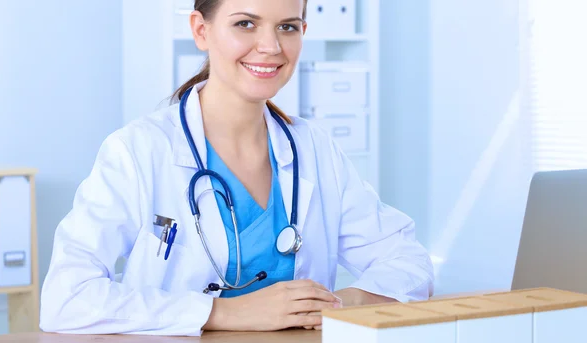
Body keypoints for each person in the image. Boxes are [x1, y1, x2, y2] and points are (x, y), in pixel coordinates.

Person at [39, 0, 434, 337]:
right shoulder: (139, 150)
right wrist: (222, 313)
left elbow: (408, 261)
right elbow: (66, 297)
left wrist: (347, 300)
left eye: (287, 26)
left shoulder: (315, 149)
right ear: (201, 30)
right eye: (245, 23)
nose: (271, 46)